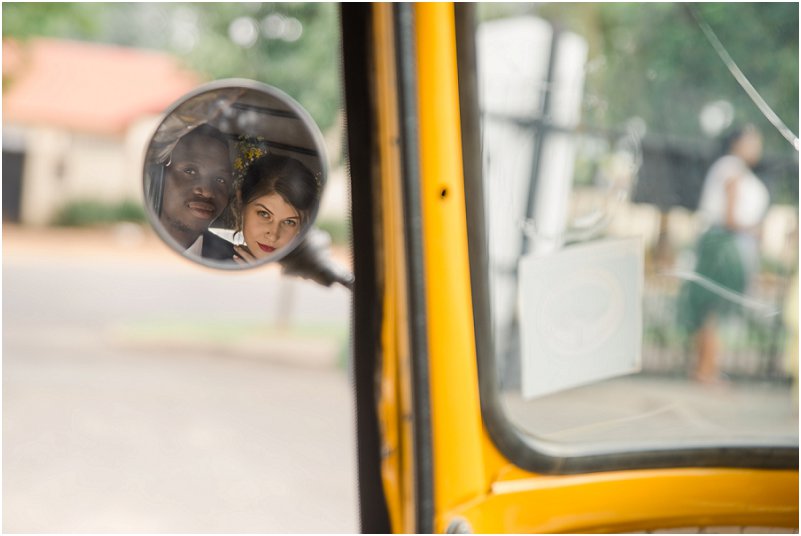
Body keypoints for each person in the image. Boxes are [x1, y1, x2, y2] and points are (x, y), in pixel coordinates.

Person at [679, 124, 770, 384]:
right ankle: (707, 371)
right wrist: (753, 229)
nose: (757, 147)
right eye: (752, 141)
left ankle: (704, 368)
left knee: (712, 307)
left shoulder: (731, 168)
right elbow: (730, 217)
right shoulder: (732, 169)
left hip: (724, 241)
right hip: (725, 244)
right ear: (737, 143)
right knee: (715, 307)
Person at [157, 124, 236, 260]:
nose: (207, 192)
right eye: (190, 171)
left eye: (220, 179)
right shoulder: (127, 251)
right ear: (160, 175)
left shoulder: (234, 264)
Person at [231, 154, 319, 265]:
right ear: (241, 203)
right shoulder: (212, 257)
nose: (273, 236)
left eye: (289, 222)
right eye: (264, 214)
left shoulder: (306, 278)